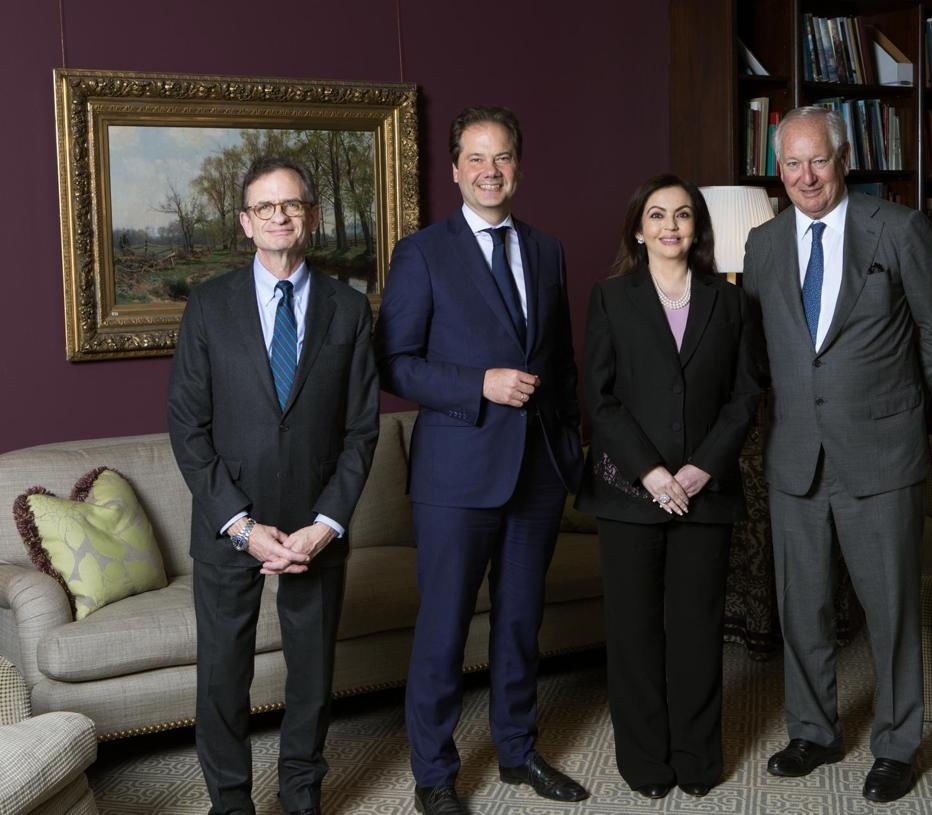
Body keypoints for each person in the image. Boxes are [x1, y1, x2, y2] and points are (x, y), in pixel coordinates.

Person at [742, 106, 932, 803]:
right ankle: (813, 731)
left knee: (891, 609)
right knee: (801, 607)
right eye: (792, 164)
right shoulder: (763, 243)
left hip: (881, 455)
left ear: (843, 161)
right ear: (779, 171)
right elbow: (759, 351)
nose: (806, 176)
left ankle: (897, 745)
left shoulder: (897, 228)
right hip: (796, 456)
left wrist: (894, 402)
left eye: (818, 160)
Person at [374, 106, 587, 815]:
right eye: (476, 157)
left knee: (521, 624)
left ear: (517, 166)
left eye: (502, 157)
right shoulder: (422, 253)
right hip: (457, 475)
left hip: (537, 472)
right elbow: (394, 363)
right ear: (455, 169)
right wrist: (479, 384)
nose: (490, 170)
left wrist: (568, 448)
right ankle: (434, 774)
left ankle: (519, 752)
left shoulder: (547, 249)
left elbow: (561, 363)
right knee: (444, 630)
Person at [167, 156, 379, 815]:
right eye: (265, 206)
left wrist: (327, 524)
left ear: (310, 216)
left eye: (291, 205)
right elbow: (188, 427)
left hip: (316, 525)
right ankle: (231, 802)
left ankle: (301, 794)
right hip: (230, 523)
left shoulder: (349, 308)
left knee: (312, 677)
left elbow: (362, 430)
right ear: (245, 222)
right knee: (222, 678)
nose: (279, 216)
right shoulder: (209, 305)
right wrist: (240, 525)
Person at [575, 174, 761, 800]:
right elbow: (599, 398)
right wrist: (651, 472)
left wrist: (702, 467)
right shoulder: (611, 298)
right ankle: (645, 762)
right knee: (633, 634)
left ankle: (697, 759)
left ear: (696, 227)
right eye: (657, 215)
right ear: (638, 229)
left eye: (682, 215)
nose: (670, 226)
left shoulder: (730, 301)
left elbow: (745, 395)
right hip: (631, 494)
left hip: (705, 491)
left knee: (697, 631)